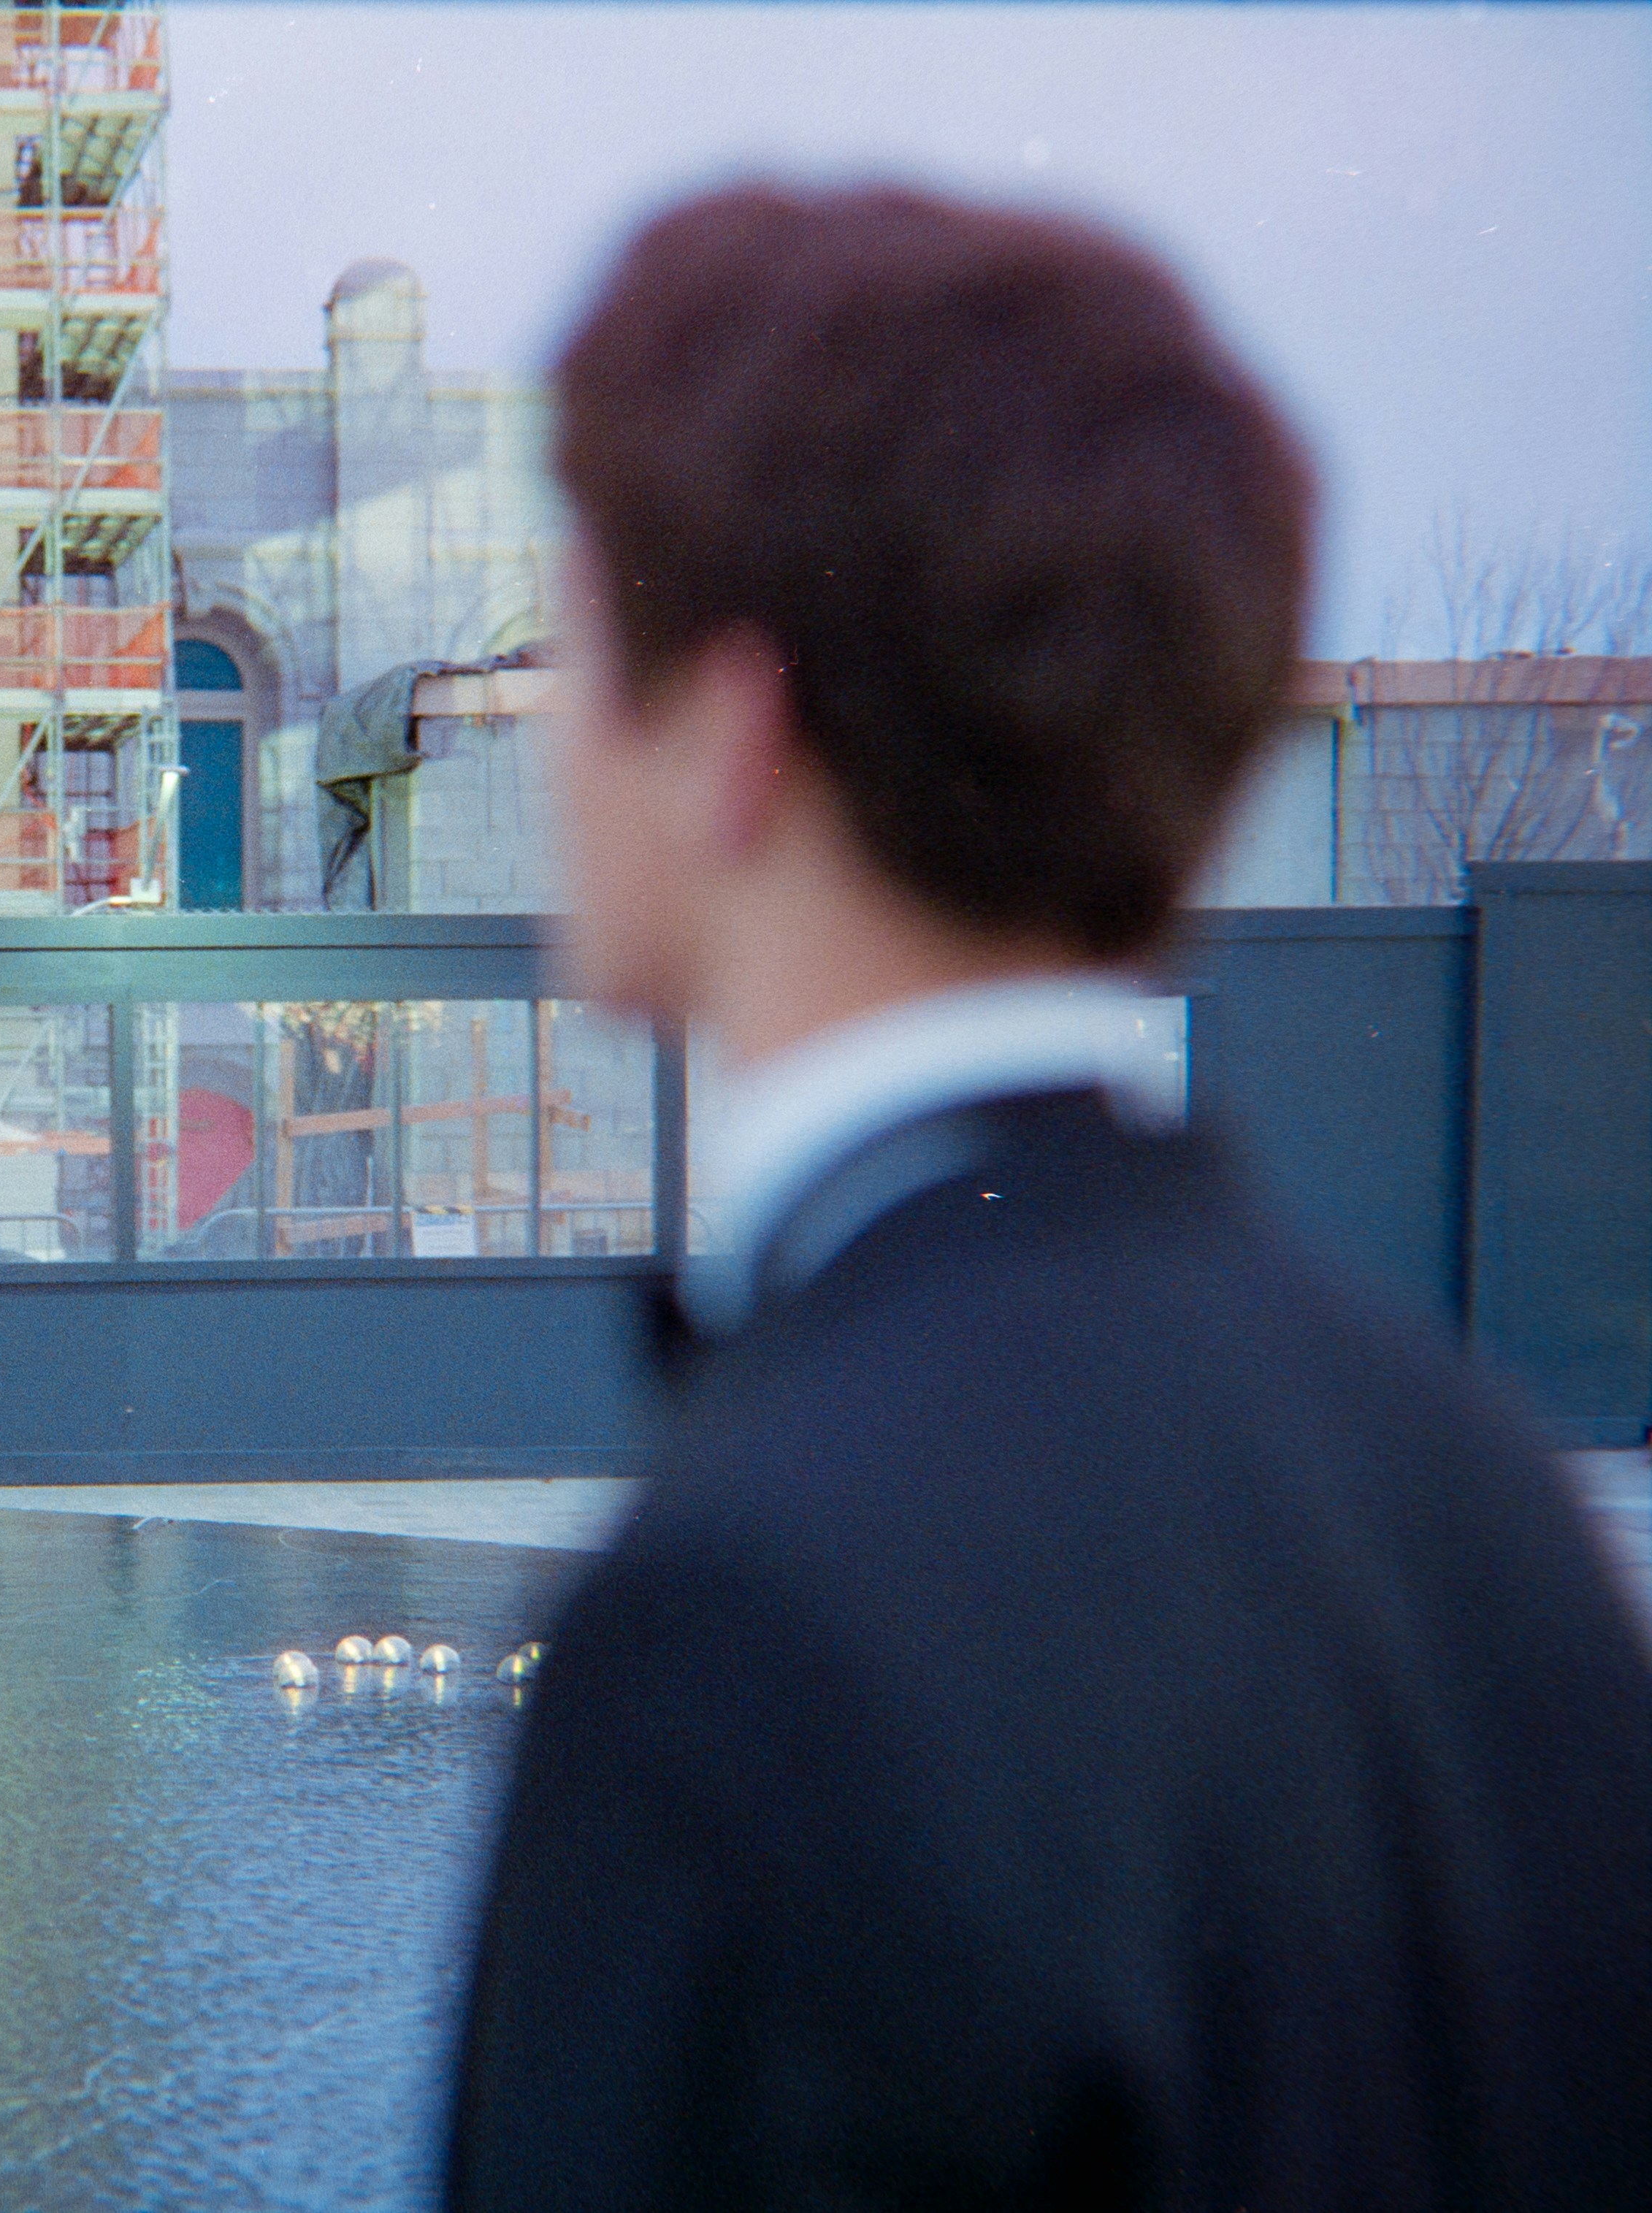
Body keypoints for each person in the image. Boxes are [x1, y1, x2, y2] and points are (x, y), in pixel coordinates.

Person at [446, 182, 1652, 2210]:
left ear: (731, 744)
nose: (554, 744)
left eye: (570, 646)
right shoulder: (1489, 1506)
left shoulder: (733, 1625)